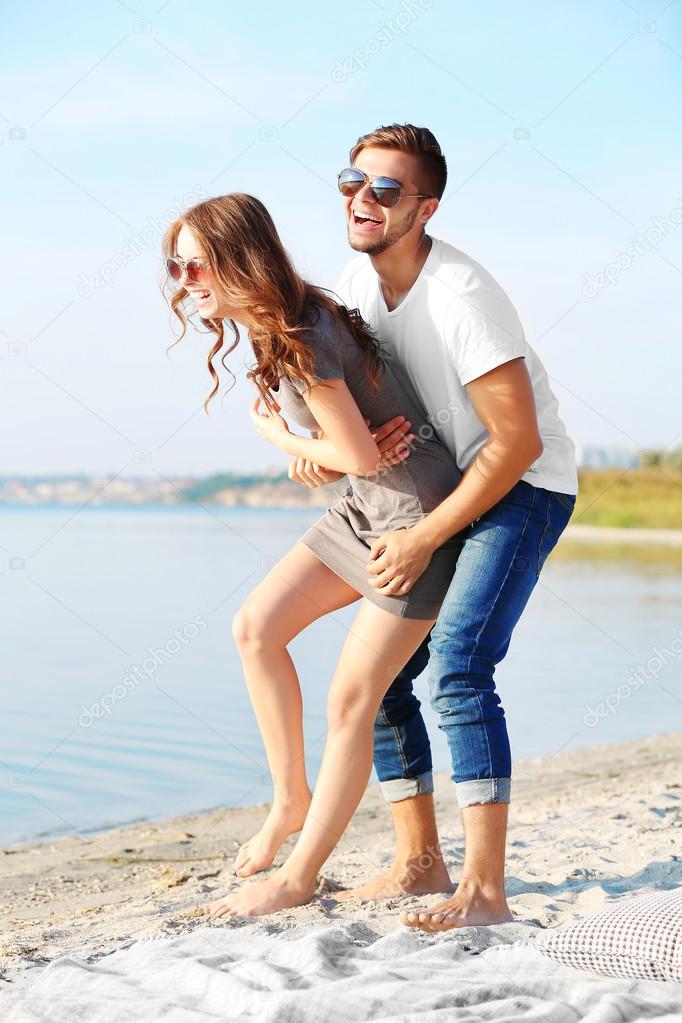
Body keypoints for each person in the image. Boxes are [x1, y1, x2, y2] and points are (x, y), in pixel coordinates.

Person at [289, 124, 579, 931]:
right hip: (436, 486)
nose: (362, 198)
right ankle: (419, 862)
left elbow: (516, 443)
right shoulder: (356, 278)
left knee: (458, 666)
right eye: (353, 181)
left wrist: (419, 538)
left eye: (386, 189)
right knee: (382, 672)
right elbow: (362, 400)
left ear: (426, 208)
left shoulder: (461, 295)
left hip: (523, 488)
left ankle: (485, 890)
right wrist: (325, 450)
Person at [161, 193, 462, 918]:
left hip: (414, 528)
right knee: (255, 628)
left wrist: (287, 443)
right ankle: (289, 796)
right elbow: (355, 453)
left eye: (196, 265)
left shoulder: (299, 331)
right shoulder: (284, 324)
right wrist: (326, 459)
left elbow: (356, 448)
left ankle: (298, 876)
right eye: (175, 266)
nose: (184, 281)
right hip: (364, 510)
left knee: (350, 701)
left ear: (239, 259)